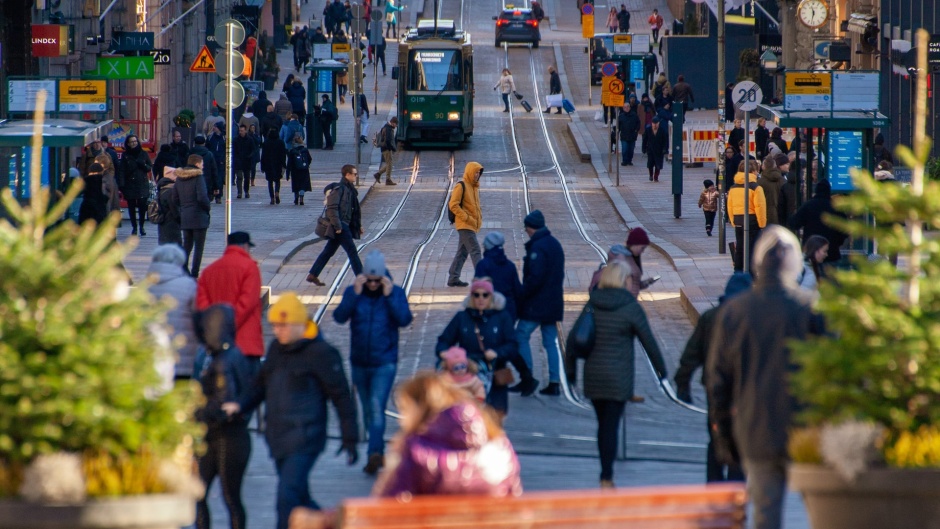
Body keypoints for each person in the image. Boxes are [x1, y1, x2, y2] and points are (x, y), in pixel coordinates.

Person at [707, 225, 824, 529]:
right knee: (822, 512)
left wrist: (724, 437)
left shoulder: (735, 311)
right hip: (805, 430)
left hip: (755, 426)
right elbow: (831, 371)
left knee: (765, 513)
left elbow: (717, 382)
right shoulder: (808, 309)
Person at [222, 293, 358, 529]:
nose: (278, 331)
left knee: (286, 497)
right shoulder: (277, 348)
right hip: (277, 437)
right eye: (275, 326)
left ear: (299, 323)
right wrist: (240, 405)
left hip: (306, 437)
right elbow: (260, 385)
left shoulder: (322, 353)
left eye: (283, 326)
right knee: (300, 499)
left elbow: (341, 397)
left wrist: (350, 436)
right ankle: (333, 523)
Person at [565, 261, 668, 489]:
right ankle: (606, 477)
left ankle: (605, 472)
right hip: (619, 377)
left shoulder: (593, 302)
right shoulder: (630, 306)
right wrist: (663, 372)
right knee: (611, 425)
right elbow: (648, 340)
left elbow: (573, 339)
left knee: (603, 426)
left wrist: (571, 373)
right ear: (622, 280)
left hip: (594, 376)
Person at [333, 250, 414, 476]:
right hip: (359, 361)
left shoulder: (394, 292)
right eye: (369, 280)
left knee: (377, 407)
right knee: (368, 410)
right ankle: (375, 450)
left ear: (383, 278)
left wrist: (388, 297)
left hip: (384, 362)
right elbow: (339, 317)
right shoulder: (354, 292)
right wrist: (353, 295)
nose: (372, 285)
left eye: (376, 281)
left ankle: (374, 453)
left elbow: (404, 319)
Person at [674, 272, 751, 483]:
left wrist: (683, 382)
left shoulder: (711, 317)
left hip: (715, 386)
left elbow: (692, 353)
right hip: (745, 390)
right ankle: (735, 487)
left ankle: (714, 486)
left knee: (716, 434)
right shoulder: (751, 320)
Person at [192, 304, 253, 529]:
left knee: (214, 496)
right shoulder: (232, 354)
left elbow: (222, 403)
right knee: (230, 498)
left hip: (223, 436)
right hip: (231, 436)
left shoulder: (220, 361)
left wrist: (196, 411)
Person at [436, 278, 527, 418]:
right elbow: (444, 340)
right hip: (468, 375)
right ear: (471, 297)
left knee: (494, 419)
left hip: (495, 374)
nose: (481, 299)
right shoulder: (462, 317)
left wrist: (497, 353)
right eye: (476, 295)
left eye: (485, 295)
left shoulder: (502, 317)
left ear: (491, 296)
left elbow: (512, 345)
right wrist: (444, 352)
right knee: (468, 418)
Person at [197, 231, 264, 373]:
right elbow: (248, 303)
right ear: (245, 246)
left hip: (218, 345)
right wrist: (229, 326)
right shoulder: (250, 268)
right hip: (246, 345)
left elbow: (203, 307)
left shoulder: (209, 271)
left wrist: (217, 330)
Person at [517, 210, 566, 396]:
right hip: (553, 302)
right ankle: (554, 382)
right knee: (550, 342)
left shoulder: (538, 247)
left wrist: (523, 294)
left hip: (538, 303)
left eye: (526, 229)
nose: (526, 232)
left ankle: (527, 377)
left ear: (531, 228)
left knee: (521, 335)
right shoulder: (554, 244)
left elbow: (535, 278)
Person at [147, 245, 199, 379]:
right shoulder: (189, 285)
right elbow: (198, 316)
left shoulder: (144, 287)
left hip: (151, 358)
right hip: (183, 357)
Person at [307, 165, 364, 285]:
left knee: (328, 251)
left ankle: (313, 274)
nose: (356, 176)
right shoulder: (340, 189)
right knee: (352, 252)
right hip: (341, 226)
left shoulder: (350, 189)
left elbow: (353, 210)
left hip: (344, 225)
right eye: (354, 174)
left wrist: (358, 226)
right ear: (347, 175)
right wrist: (338, 226)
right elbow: (332, 209)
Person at [788, 180, 848, 264]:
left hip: (811, 253)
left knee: (811, 275)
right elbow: (846, 229)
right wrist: (838, 241)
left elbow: (793, 223)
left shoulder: (808, 206)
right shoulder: (835, 208)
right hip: (831, 253)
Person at [172, 155, 212, 278]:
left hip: (185, 216)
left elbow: (174, 198)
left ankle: (183, 270)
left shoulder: (179, 179)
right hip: (199, 216)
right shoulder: (198, 177)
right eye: (202, 164)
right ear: (197, 164)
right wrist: (207, 208)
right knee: (199, 247)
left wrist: (182, 210)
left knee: (187, 245)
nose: (203, 166)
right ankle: (194, 273)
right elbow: (202, 197)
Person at [447, 162, 484, 287]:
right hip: (465, 224)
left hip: (471, 224)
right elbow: (453, 204)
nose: (477, 175)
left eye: (479, 172)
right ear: (469, 172)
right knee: (475, 250)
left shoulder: (474, 187)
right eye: (475, 172)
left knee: (462, 252)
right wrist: (467, 218)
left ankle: (453, 277)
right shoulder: (461, 185)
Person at [727, 160, 767, 272]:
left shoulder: (733, 188)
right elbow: (760, 207)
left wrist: (733, 221)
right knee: (752, 249)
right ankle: (751, 273)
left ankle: (738, 270)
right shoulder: (756, 187)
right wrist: (762, 224)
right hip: (752, 220)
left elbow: (730, 206)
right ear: (754, 171)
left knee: (740, 247)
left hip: (738, 220)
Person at [474, 231, 522, 321]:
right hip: (508, 311)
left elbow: (478, 290)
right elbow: (517, 290)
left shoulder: (482, 265)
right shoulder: (510, 265)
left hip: (489, 310)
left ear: (487, 246)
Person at [118, 134, 153, 237]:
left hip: (142, 183)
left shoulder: (143, 153)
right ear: (128, 144)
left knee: (142, 206)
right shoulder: (126, 155)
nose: (134, 143)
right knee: (131, 206)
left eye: (135, 141)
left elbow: (149, 167)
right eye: (131, 142)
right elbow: (122, 171)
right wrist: (122, 185)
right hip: (130, 184)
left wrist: (142, 164)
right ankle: (134, 227)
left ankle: (141, 225)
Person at [155, 163, 182, 246]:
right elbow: (174, 209)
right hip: (171, 224)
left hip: (163, 223)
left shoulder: (162, 188)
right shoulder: (170, 191)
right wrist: (180, 219)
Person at [190, 135, 220, 205]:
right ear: (204, 143)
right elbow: (214, 171)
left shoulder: (190, 154)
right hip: (207, 183)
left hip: (191, 183)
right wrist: (216, 187)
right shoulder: (209, 154)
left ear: (194, 143)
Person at [758, 155, 785, 226]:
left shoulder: (760, 182)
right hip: (781, 216)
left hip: (765, 216)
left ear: (763, 167)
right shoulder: (783, 181)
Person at [262, 131, 287, 205]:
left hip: (268, 164)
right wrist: (284, 164)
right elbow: (283, 154)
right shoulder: (280, 142)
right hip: (278, 164)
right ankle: (277, 192)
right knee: (277, 180)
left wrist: (263, 166)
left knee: (270, 182)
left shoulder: (266, 143)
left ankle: (272, 198)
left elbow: (263, 155)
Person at [286, 136, 313, 205]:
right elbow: (310, 159)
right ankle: (301, 197)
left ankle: (296, 197)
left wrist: (287, 174)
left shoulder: (292, 151)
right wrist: (306, 165)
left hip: (295, 171)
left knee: (296, 184)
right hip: (304, 170)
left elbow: (289, 164)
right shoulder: (305, 150)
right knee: (303, 184)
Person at [373, 117, 398, 184]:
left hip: (384, 148)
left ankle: (379, 175)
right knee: (389, 164)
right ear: (393, 123)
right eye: (396, 124)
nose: (396, 126)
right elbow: (388, 140)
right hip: (387, 149)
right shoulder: (388, 129)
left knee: (389, 163)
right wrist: (392, 148)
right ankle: (387, 179)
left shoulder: (386, 126)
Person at [642, 116, 669, 182]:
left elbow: (666, 141)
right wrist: (644, 148)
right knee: (650, 164)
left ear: (658, 123)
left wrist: (665, 149)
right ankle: (651, 175)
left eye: (656, 123)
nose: (655, 125)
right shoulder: (648, 130)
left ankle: (656, 176)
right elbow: (645, 140)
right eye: (653, 123)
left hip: (659, 150)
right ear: (651, 123)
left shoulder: (662, 130)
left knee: (658, 165)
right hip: (650, 150)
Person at [206, 123, 226, 204]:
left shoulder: (224, 138)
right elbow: (207, 147)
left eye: (215, 127)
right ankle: (211, 194)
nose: (213, 128)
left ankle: (219, 196)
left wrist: (223, 159)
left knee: (220, 179)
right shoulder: (210, 137)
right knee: (211, 177)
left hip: (220, 161)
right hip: (212, 160)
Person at [233, 125, 255, 199]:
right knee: (239, 177)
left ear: (245, 131)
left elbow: (253, 150)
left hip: (247, 161)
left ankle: (246, 191)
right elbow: (234, 150)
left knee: (246, 177)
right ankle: (239, 192)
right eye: (240, 131)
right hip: (238, 161)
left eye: (242, 131)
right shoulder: (236, 139)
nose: (240, 132)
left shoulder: (250, 139)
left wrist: (249, 156)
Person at [617, 101, 641, 166]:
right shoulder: (621, 116)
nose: (626, 108)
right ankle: (624, 161)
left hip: (632, 135)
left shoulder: (634, 115)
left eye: (628, 107)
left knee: (631, 150)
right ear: (623, 108)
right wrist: (617, 132)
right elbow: (618, 126)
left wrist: (636, 130)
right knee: (624, 149)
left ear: (630, 107)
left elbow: (638, 123)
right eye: (625, 107)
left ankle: (629, 160)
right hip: (624, 136)